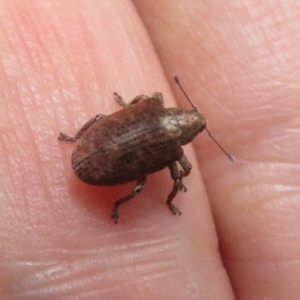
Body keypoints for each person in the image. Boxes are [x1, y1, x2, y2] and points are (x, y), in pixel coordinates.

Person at [0, 1, 298, 299]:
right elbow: (183, 170)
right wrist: (174, 189)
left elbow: (143, 100)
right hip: (95, 155)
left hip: (98, 155)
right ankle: (116, 195)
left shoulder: (155, 109)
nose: (197, 122)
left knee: (108, 128)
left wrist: (128, 107)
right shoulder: (172, 150)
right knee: (145, 180)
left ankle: (77, 143)